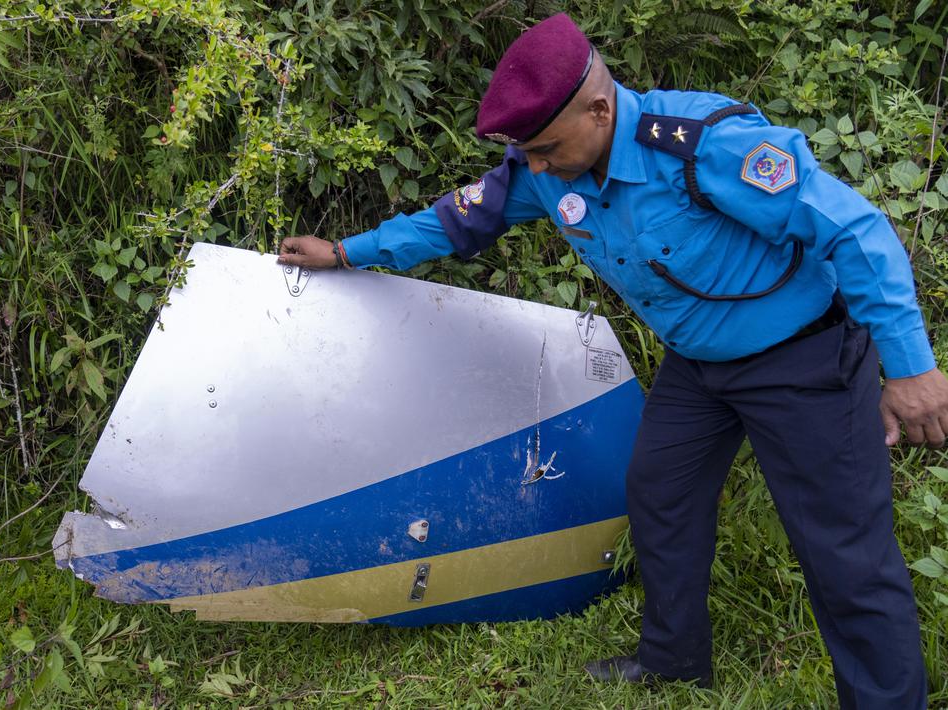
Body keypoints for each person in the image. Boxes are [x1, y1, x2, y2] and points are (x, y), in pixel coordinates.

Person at [276, 12, 947, 709]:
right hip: (699, 366)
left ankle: (886, 699)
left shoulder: (701, 146)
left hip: (802, 359)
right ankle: (673, 660)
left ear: (600, 109)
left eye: (545, 148)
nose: (535, 167)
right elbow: (456, 219)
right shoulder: (545, 167)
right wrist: (347, 252)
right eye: (527, 152)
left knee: (842, 547)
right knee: (660, 498)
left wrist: (910, 368)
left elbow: (854, 230)